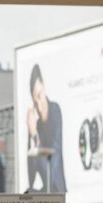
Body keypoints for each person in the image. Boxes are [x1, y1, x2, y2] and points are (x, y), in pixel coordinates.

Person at [26, 64, 67, 193]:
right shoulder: (37, 126)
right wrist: (30, 134)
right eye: (35, 102)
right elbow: (31, 177)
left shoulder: (55, 112)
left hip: (58, 193)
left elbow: (50, 173)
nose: (39, 105)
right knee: (26, 195)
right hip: (47, 194)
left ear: (44, 88)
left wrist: (35, 136)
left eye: (40, 96)